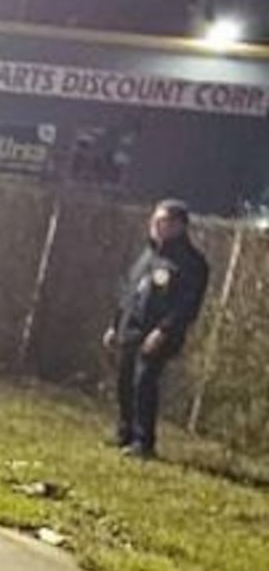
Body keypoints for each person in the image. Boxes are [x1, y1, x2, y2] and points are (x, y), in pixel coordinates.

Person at [105, 196, 212, 459]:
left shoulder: (192, 263)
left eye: (162, 221)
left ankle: (144, 442)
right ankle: (125, 433)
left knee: (144, 382)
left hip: (158, 334)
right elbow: (129, 292)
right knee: (125, 381)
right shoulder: (148, 254)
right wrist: (115, 324)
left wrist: (163, 331)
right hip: (131, 328)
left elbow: (187, 305)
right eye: (154, 219)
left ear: (179, 225)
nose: (154, 225)